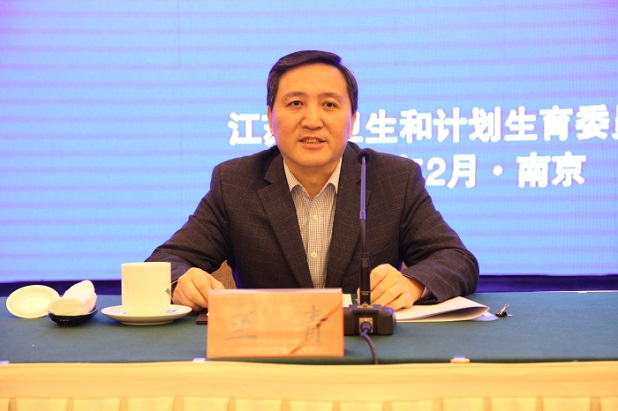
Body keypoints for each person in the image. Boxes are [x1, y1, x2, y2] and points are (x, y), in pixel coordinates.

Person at [146, 50, 479, 312]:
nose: (312, 120)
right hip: (268, 352)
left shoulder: (393, 178)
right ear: (270, 119)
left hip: (365, 352)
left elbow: (456, 259)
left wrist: (411, 284)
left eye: (329, 104)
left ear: (352, 120)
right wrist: (181, 282)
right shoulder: (235, 183)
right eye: (295, 104)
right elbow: (163, 263)